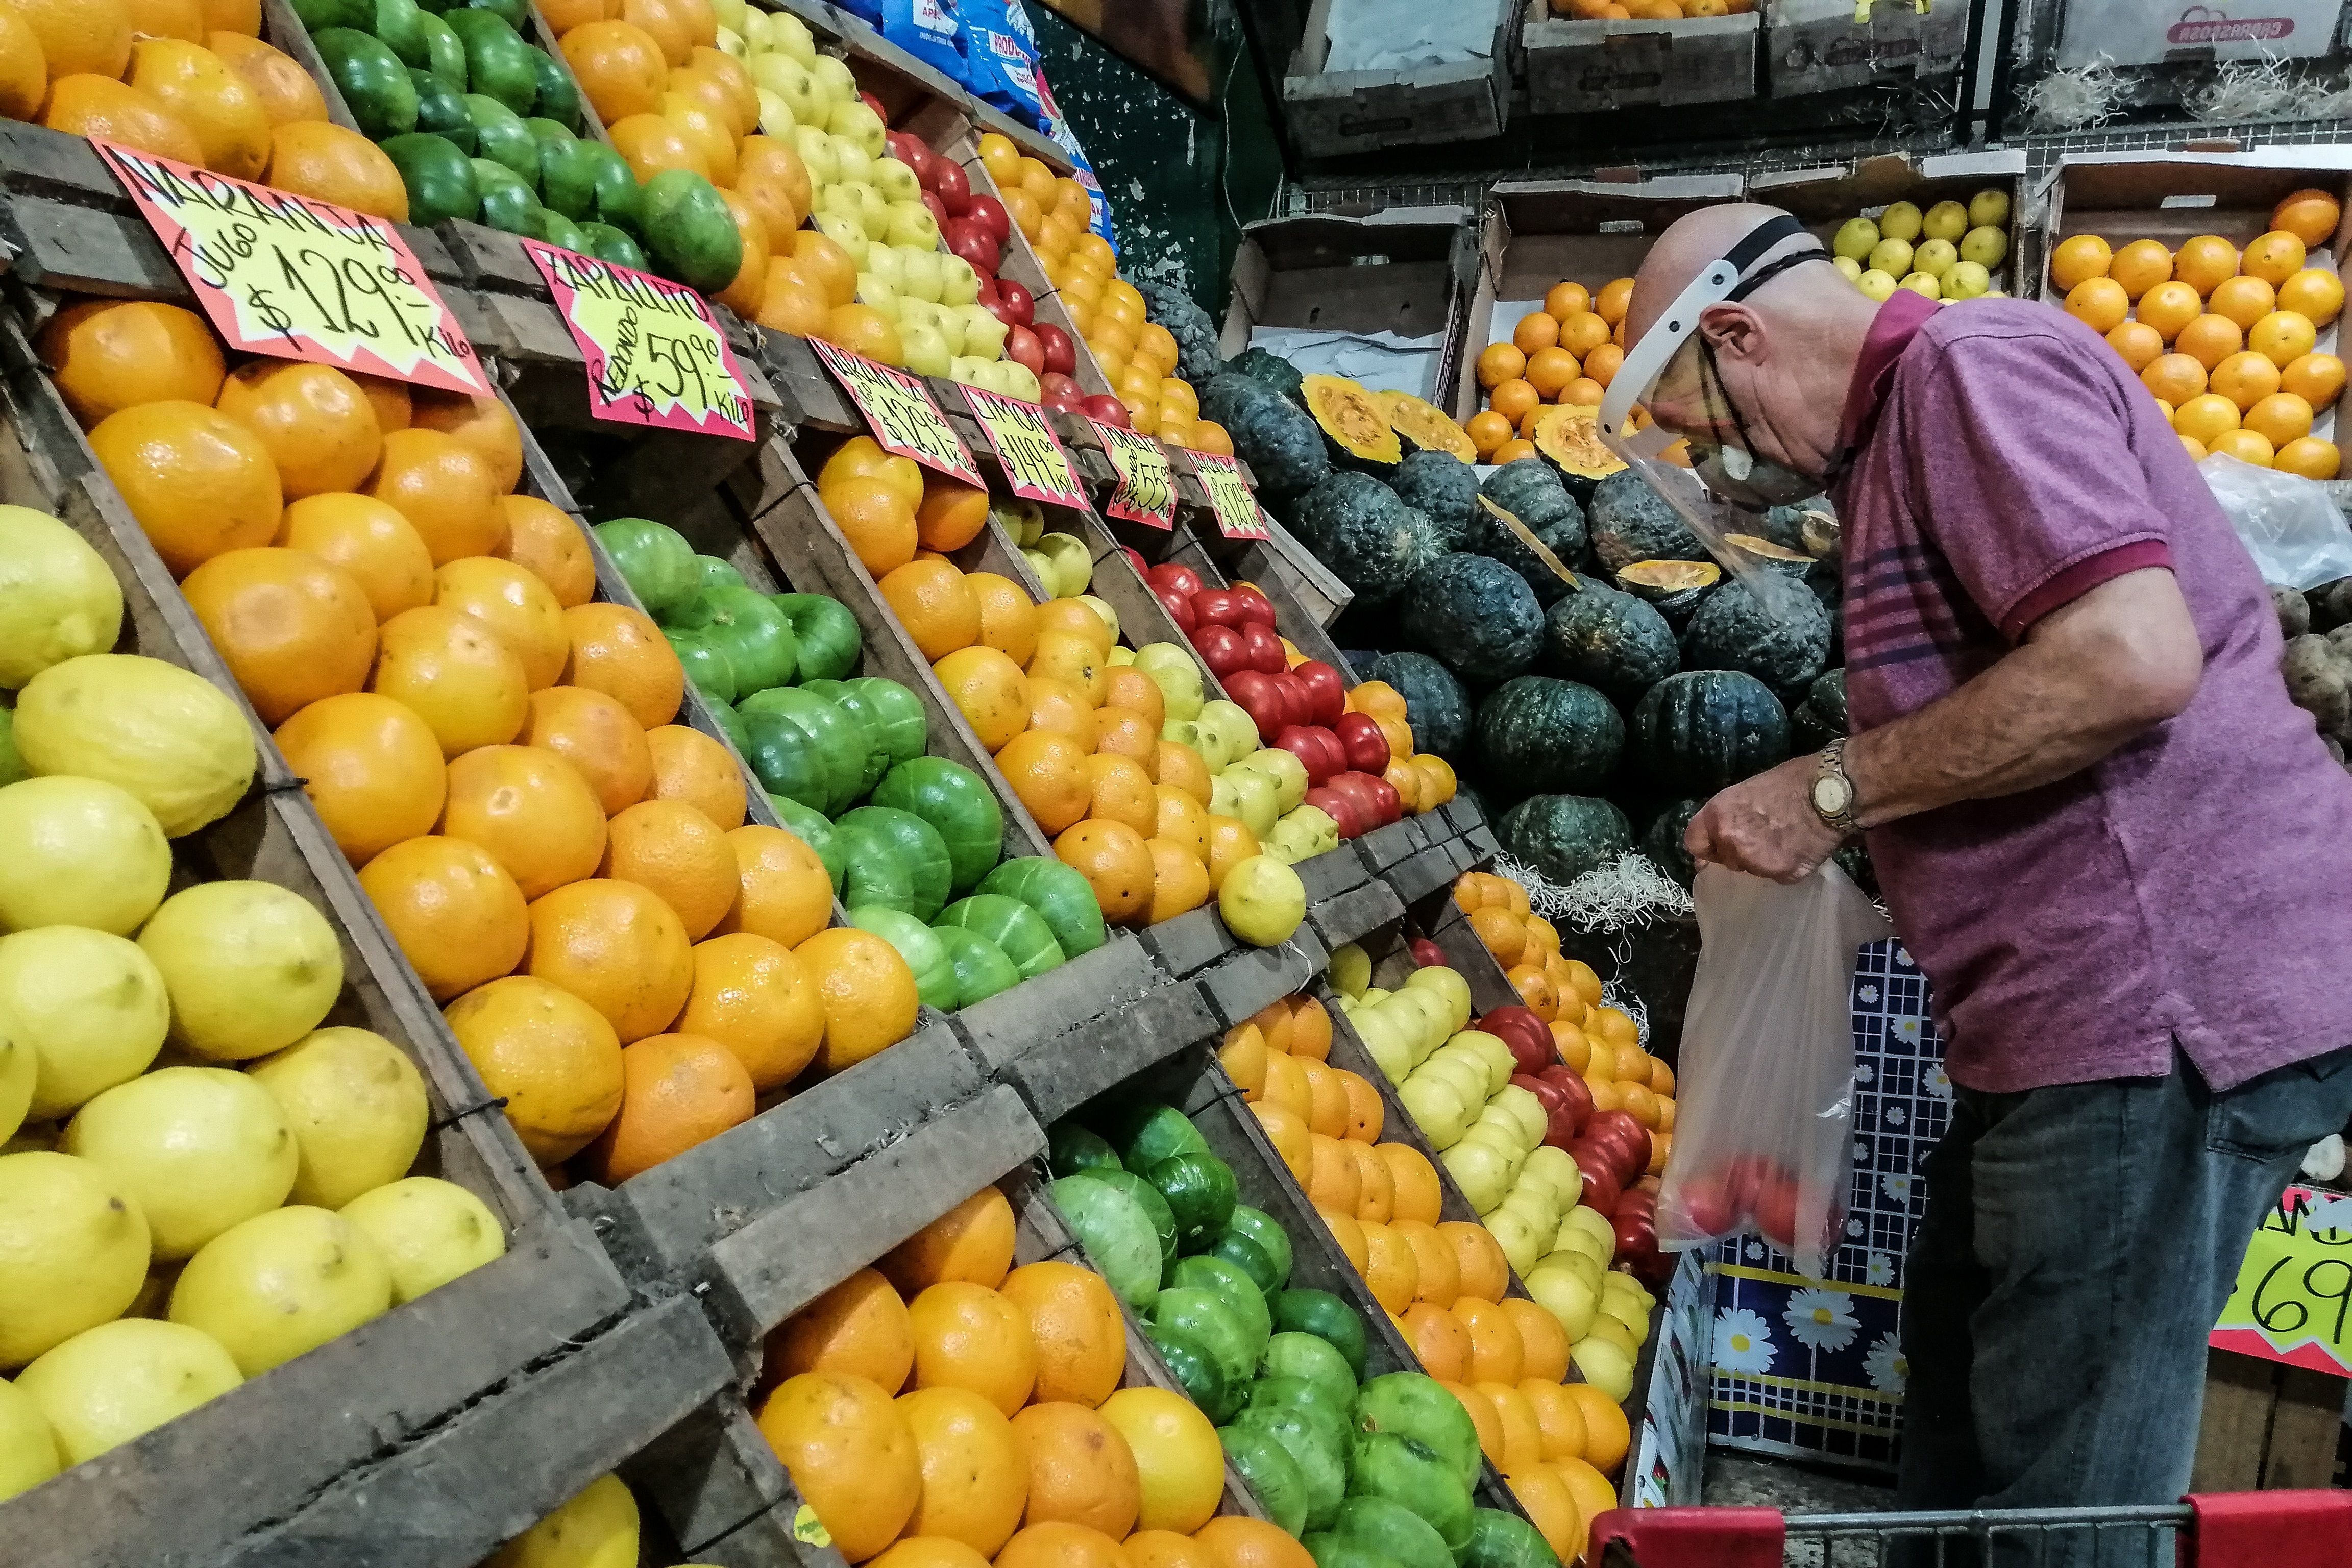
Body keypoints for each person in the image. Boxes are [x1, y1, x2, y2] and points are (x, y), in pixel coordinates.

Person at [1604, 203, 2352, 1551]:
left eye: (1700, 419)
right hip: (2067, 1023)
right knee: (1963, 1423)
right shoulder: (1898, 444)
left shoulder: (1971, 372)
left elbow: (2127, 657)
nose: (1718, 461)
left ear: (1739, 336)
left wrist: (1831, 791)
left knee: (2062, 1492)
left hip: (2153, 1006)